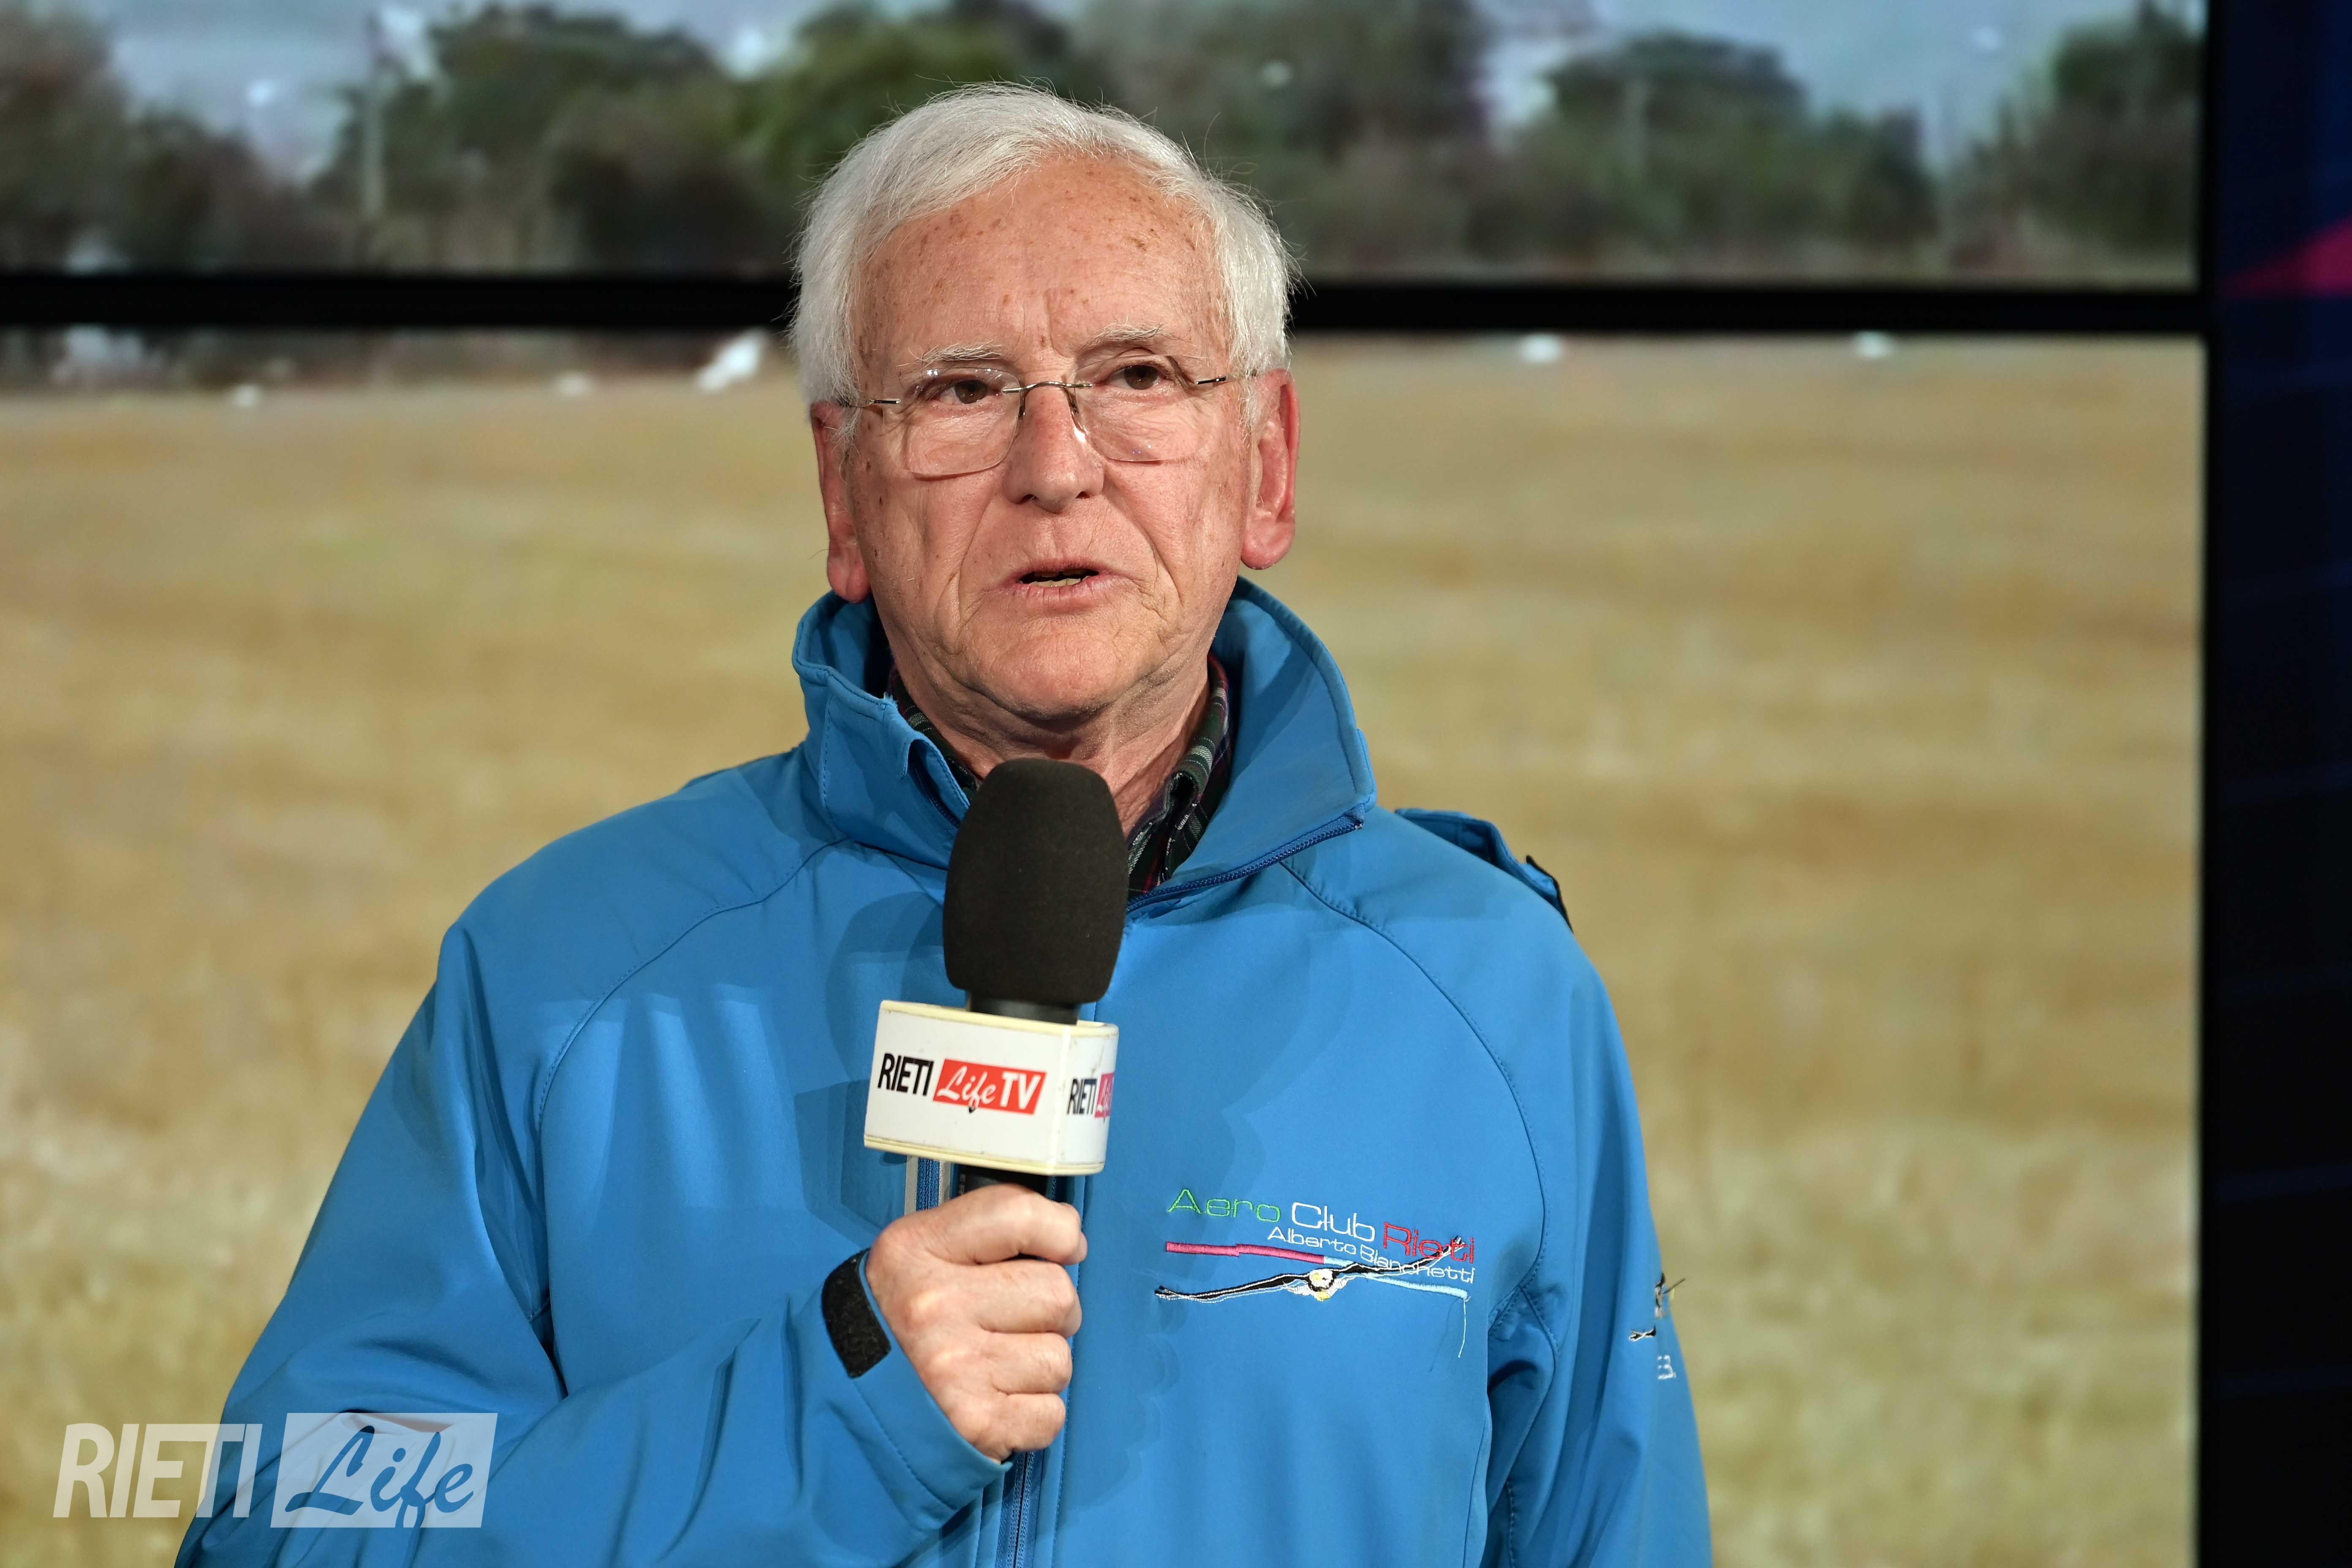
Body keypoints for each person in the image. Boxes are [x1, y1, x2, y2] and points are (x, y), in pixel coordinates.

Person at [180, 84, 1707, 1566]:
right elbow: (284, 1523)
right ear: (844, 495)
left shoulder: (1496, 998)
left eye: (1137, 378)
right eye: (963, 393)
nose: (1057, 469)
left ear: (1268, 466)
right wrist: (819, 1414)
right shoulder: (564, 972)